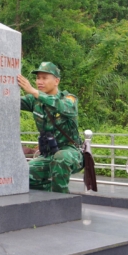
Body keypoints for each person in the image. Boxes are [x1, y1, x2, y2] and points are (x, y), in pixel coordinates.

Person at [17, 62, 83, 193]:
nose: (39, 82)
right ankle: (50, 193)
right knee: (21, 174)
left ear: (56, 81)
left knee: (61, 157)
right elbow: (10, 100)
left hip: (71, 153)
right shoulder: (34, 100)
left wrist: (34, 92)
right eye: (38, 78)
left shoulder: (69, 99)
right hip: (47, 155)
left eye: (44, 78)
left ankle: (62, 202)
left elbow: (64, 107)